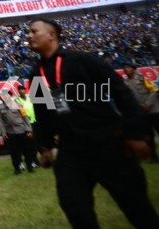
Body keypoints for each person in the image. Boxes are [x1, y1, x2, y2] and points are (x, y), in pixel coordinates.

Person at [27, 18, 158, 228]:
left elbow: (120, 92)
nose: (29, 36)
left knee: (137, 207)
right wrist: (45, 146)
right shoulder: (36, 75)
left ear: (51, 35)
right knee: (74, 206)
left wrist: (134, 134)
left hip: (108, 144)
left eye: (34, 31)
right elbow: (41, 113)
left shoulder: (82, 60)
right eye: (29, 32)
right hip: (71, 152)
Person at [122, 63, 159, 163]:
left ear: (134, 69)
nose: (126, 69)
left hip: (154, 110)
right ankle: (153, 157)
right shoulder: (125, 83)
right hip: (141, 113)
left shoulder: (143, 78)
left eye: (128, 67)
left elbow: (154, 90)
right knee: (148, 136)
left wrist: (147, 104)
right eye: (124, 68)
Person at [0, 88, 35, 174]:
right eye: (1, 96)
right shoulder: (0, 108)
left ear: (10, 96)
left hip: (22, 131)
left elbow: (25, 118)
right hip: (10, 133)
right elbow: (1, 121)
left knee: (26, 150)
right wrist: (3, 132)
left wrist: (29, 130)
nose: (3, 97)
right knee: (14, 152)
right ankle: (17, 168)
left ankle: (30, 167)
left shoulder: (19, 105)